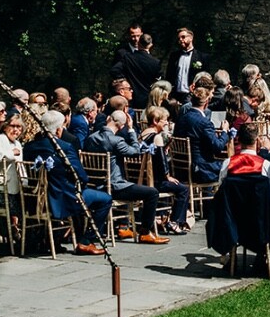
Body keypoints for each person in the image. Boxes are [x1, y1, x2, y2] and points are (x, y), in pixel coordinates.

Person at [23, 109, 112, 255]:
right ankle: (86, 241)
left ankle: (53, 239)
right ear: (59, 129)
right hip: (63, 198)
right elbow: (81, 176)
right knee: (105, 199)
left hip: (35, 198)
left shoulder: (29, 146)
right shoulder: (64, 147)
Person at [84, 110, 169, 244]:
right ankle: (145, 232)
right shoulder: (116, 141)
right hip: (114, 186)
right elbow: (136, 151)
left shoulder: (91, 138)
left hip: (95, 185)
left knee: (134, 186)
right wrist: (131, 130)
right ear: (121, 126)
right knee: (152, 193)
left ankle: (126, 226)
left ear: (108, 119)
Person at [141, 105, 190, 234]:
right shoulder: (156, 137)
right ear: (155, 121)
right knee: (183, 189)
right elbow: (162, 163)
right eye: (164, 120)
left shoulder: (142, 134)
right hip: (156, 181)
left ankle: (163, 217)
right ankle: (175, 222)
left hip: (143, 179)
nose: (167, 123)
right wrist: (167, 176)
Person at [173, 84, 229, 182]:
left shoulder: (181, 118)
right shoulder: (204, 123)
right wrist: (224, 131)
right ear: (206, 103)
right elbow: (217, 147)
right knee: (232, 167)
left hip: (180, 167)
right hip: (201, 169)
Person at [0, 112, 26, 238]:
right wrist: (9, 154)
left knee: (29, 203)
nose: (16, 130)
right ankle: (16, 237)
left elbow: (20, 167)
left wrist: (25, 182)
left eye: (19, 127)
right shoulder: (1, 139)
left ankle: (17, 235)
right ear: (5, 126)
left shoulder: (17, 143)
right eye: (13, 126)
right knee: (23, 208)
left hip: (11, 191)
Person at [165, 27, 210, 101]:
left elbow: (206, 79)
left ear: (191, 38)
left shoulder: (202, 57)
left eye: (183, 37)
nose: (180, 40)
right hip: (175, 95)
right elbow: (169, 75)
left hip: (193, 95)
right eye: (179, 38)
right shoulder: (174, 56)